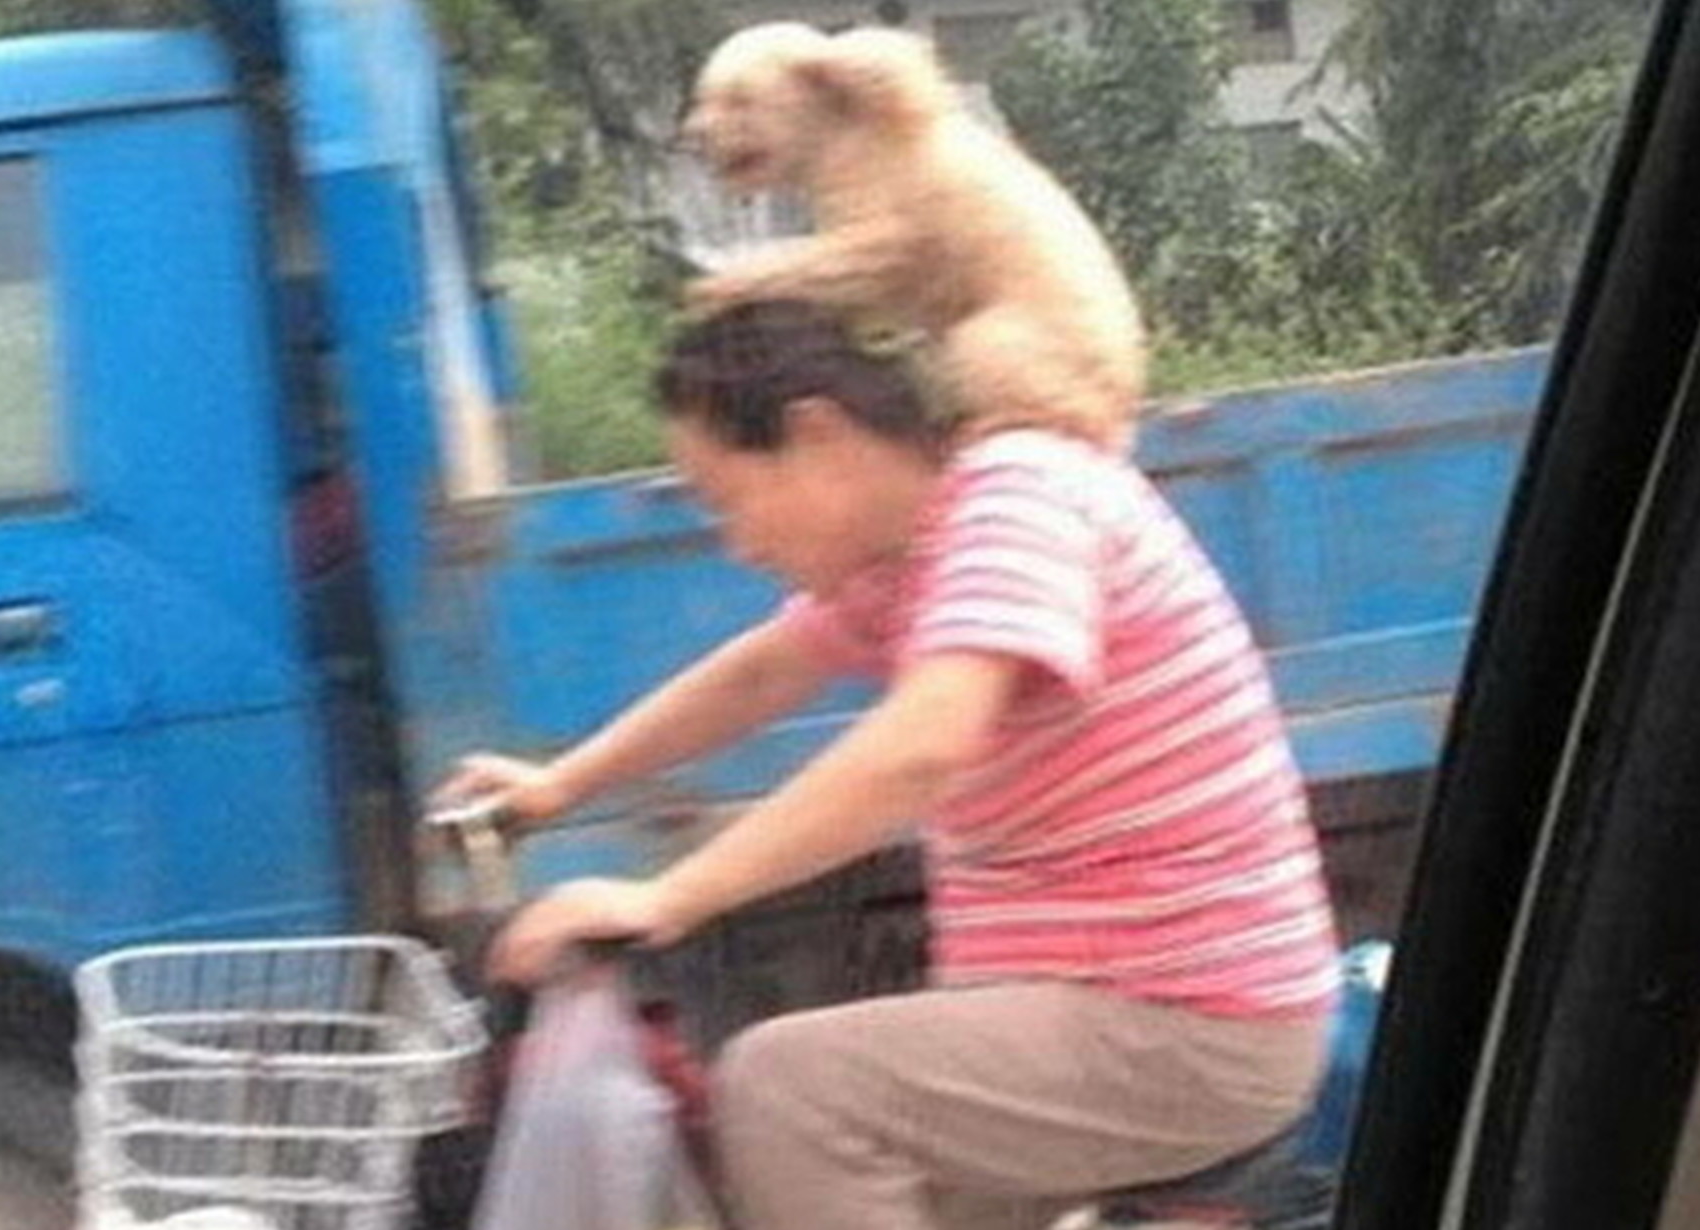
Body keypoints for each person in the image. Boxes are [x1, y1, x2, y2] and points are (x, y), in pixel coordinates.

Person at [435, 300, 1341, 1230]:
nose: (738, 543)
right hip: (1098, 1008)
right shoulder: (905, 558)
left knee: (794, 1092)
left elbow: (922, 748)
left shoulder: (1017, 495)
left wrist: (667, 899)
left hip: (1192, 1022)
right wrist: (561, 783)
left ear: (817, 433)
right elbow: (758, 673)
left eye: (728, 498)